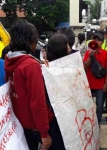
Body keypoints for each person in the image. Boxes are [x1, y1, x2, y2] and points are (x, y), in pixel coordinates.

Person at [4, 20, 65, 150]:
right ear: (31, 40)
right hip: (37, 126)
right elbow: (37, 102)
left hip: (21, 124)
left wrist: (39, 66)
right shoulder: (30, 65)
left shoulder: (9, 61)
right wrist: (44, 133)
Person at [83, 33, 107, 125]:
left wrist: (106, 84)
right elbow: (85, 66)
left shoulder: (106, 54)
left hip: (101, 84)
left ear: (102, 42)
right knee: (88, 105)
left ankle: (97, 123)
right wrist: (91, 56)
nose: (96, 42)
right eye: (94, 40)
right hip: (89, 83)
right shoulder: (88, 53)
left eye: (98, 40)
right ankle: (89, 123)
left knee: (99, 106)